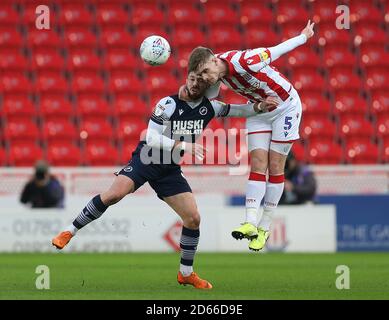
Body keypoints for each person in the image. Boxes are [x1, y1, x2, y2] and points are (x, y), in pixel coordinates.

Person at [51, 71, 278, 290]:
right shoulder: (167, 104)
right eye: (191, 78)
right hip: (146, 160)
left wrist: (259, 107)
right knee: (114, 195)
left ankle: (186, 274)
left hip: (169, 169)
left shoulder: (210, 108)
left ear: (206, 90)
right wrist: (181, 146)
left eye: (199, 83)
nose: (193, 84)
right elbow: (150, 136)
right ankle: (69, 231)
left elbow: (238, 111)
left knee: (193, 218)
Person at [179, 20, 315, 251]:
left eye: (205, 72)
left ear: (214, 60)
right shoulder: (212, 78)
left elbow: (277, 50)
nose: (205, 78)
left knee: (275, 167)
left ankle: (264, 227)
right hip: (260, 110)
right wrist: (188, 90)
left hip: (286, 107)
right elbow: (206, 98)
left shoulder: (244, 61)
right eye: (200, 75)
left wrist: (304, 36)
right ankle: (250, 222)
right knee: (257, 164)